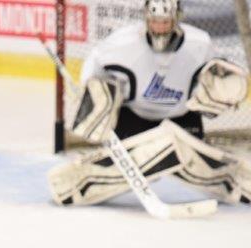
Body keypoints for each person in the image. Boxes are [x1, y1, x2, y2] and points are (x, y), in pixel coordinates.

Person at [49, 0, 250, 206]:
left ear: (177, 19)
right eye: (155, 21)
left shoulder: (200, 44)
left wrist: (217, 94)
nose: (160, 27)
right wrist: (91, 92)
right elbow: (95, 61)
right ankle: (82, 180)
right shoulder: (122, 43)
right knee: (154, 152)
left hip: (181, 120)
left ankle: (238, 181)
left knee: (184, 155)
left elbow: (215, 75)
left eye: (166, 22)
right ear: (146, 18)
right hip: (135, 119)